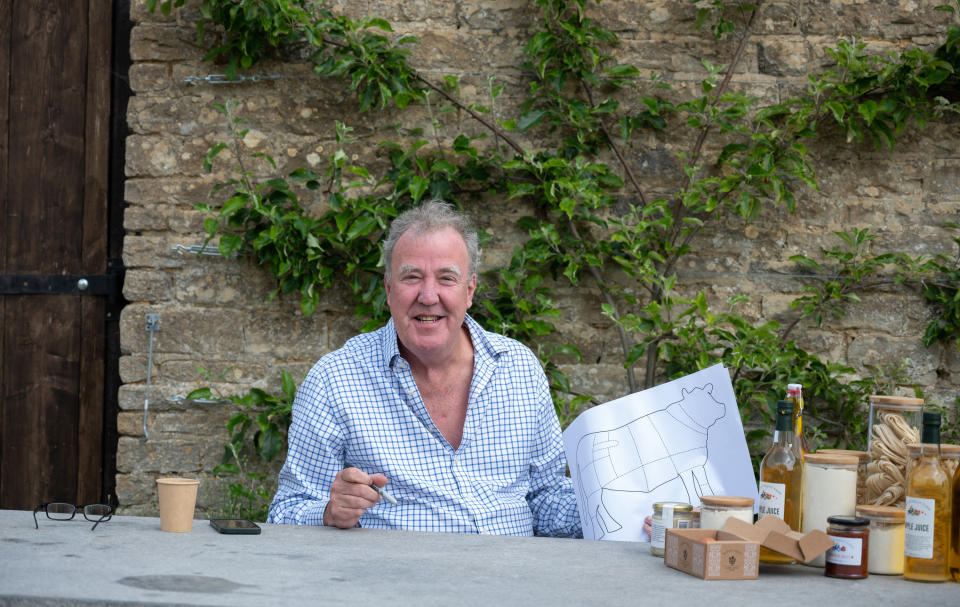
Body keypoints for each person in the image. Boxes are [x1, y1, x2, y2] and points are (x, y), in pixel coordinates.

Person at [267, 200, 581, 537]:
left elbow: (545, 497)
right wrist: (329, 512)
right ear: (388, 290)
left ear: (469, 290)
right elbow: (286, 512)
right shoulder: (335, 380)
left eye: (446, 278)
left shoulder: (519, 368)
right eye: (412, 277)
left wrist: (626, 509)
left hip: (515, 580)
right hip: (395, 583)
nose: (428, 296)